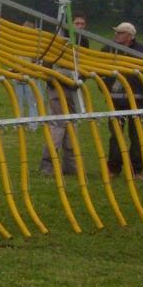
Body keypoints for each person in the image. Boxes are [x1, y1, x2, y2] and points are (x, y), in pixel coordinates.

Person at [104, 22, 143, 177]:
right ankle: (113, 168)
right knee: (115, 136)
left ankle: (136, 170)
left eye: (120, 33)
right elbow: (100, 72)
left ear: (130, 36)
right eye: (116, 32)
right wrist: (106, 89)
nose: (117, 35)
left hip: (137, 101)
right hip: (115, 101)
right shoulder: (108, 49)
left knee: (137, 136)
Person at [40, 14, 89, 176]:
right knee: (58, 124)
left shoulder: (84, 41)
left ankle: (71, 165)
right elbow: (46, 63)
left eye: (82, 23)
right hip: (57, 86)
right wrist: (53, 80)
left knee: (72, 124)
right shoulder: (59, 40)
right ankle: (49, 165)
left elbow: (87, 63)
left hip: (74, 87)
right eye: (76, 23)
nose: (79, 26)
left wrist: (80, 79)